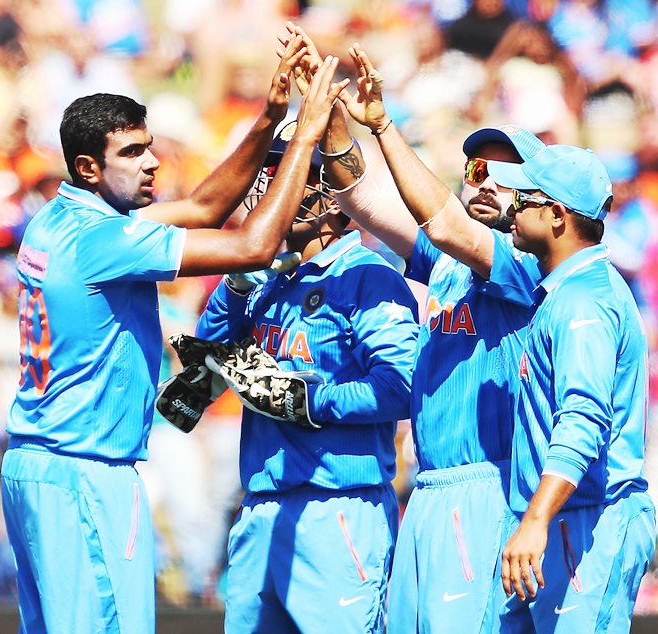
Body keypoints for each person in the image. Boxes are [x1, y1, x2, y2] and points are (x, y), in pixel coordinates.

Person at [0, 35, 349, 634]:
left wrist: (268, 119)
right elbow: (252, 246)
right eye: (132, 153)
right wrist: (307, 134)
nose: (152, 162)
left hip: (40, 469)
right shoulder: (103, 240)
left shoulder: (62, 219)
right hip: (85, 474)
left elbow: (208, 207)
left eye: (150, 147)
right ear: (88, 167)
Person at [281, 24, 543, 633]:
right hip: (427, 487)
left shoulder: (524, 267)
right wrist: (329, 115)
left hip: (487, 488)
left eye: (502, 172)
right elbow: (364, 198)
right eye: (476, 167)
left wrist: (383, 127)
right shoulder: (449, 265)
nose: (482, 180)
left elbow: (444, 223)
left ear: (539, 195)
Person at [193, 120, 420, 633]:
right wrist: (234, 284)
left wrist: (311, 402)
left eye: (292, 173)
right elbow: (199, 376)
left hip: (338, 510)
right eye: (270, 172)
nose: (271, 186)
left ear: (334, 199)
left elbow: (403, 385)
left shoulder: (368, 276)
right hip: (259, 510)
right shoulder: (262, 280)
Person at [487, 146, 656, 633]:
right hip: (563, 519)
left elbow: (583, 420)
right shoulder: (565, 291)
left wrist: (536, 519)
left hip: (588, 523)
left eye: (523, 199)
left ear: (557, 215)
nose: (511, 209)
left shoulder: (585, 299)